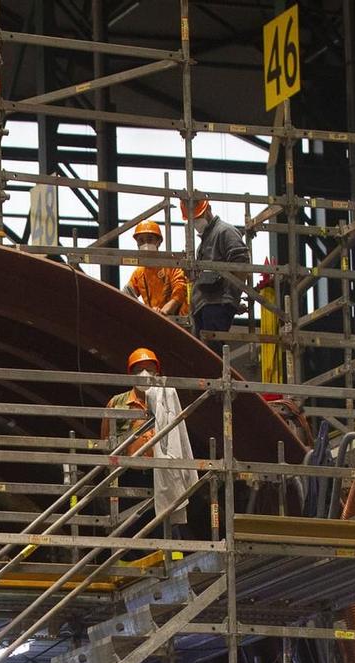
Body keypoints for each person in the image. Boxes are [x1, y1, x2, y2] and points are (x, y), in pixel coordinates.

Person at [100, 347, 200, 543]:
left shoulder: (166, 400)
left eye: (150, 370)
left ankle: (170, 560)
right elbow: (106, 441)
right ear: (130, 374)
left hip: (161, 475)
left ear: (158, 373)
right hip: (130, 476)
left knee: (164, 524)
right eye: (139, 370)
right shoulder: (118, 402)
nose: (144, 375)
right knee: (130, 526)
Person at [181, 192, 251, 337]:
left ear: (208, 209)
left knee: (212, 347)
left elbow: (241, 263)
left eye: (198, 218)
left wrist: (231, 297)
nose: (196, 222)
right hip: (203, 303)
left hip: (217, 302)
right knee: (203, 353)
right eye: (192, 220)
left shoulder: (224, 231)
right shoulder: (203, 243)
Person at [124, 220, 188, 316]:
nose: (145, 244)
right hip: (154, 320)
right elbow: (127, 294)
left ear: (159, 242)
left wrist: (164, 311)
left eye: (150, 240)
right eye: (141, 240)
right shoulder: (139, 272)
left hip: (177, 321)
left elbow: (180, 290)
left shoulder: (171, 265)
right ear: (137, 243)